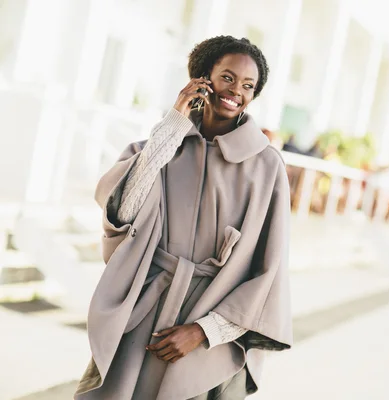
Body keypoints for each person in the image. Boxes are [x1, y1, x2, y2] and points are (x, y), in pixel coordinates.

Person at [75, 36, 292, 400]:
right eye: (227, 77)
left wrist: (203, 332)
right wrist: (175, 122)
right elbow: (125, 214)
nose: (236, 90)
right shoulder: (158, 148)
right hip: (144, 310)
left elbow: (269, 270)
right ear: (203, 77)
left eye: (248, 85)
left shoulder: (267, 166)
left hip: (211, 327)